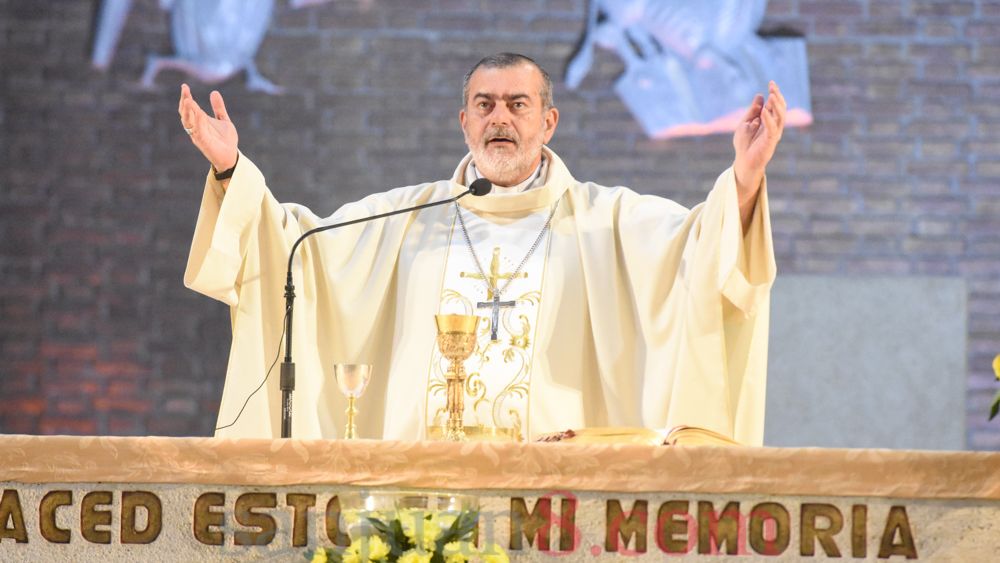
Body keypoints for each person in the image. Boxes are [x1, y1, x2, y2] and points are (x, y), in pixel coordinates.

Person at [179, 53, 783, 444]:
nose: (501, 119)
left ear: (548, 123)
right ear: (463, 121)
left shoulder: (609, 221)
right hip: (420, 496)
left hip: (558, 495)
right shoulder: (405, 219)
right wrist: (231, 167)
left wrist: (746, 179)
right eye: (485, 105)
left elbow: (704, 255)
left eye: (518, 105)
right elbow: (295, 253)